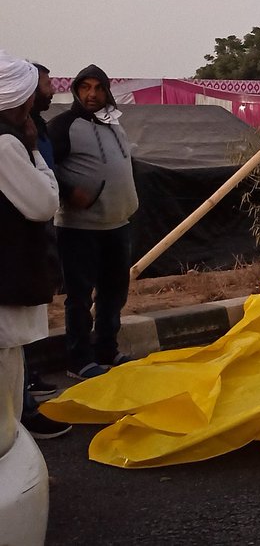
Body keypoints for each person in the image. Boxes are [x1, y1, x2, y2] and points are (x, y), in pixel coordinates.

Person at [47, 65, 140, 379]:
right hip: (79, 229)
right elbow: (42, 164)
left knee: (114, 294)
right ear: (75, 90)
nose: (91, 94)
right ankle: (79, 360)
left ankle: (106, 350)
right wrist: (69, 192)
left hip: (117, 224)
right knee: (79, 297)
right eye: (84, 87)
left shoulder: (114, 123)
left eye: (97, 88)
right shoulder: (64, 125)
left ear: (106, 90)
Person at [0, 52, 70, 444]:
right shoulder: (9, 145)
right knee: (5, 370)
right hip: (6, 276)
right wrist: (34, 153)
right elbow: (44, 204)